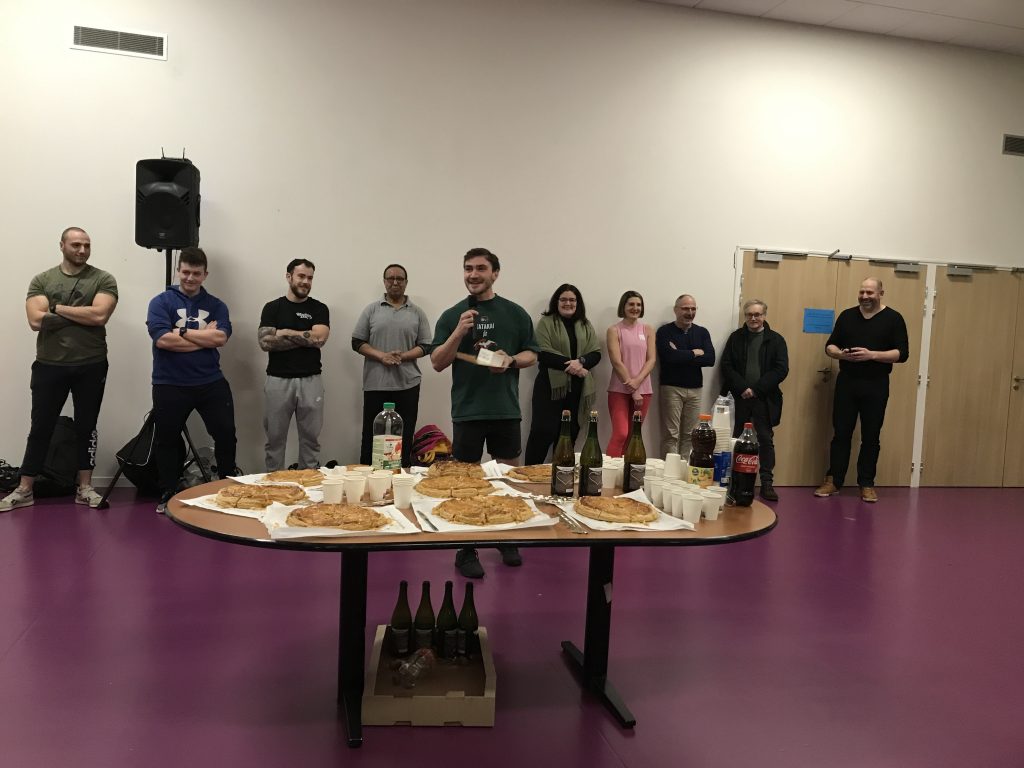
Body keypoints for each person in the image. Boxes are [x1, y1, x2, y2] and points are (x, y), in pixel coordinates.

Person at [431, 247, 539, 578]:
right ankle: (466, 549)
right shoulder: (453, 315)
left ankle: (507, 539)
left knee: (507, 479)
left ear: (495, 273)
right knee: (465, 484)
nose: (473, 274)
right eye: (468, 268)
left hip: (505, 408)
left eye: (480, 268)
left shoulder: (515, 313)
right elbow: (437, 362)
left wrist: (511, 360)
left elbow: (532, 354)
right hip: (468, 410)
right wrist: (459, 332)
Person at [1, 227, 118, 512]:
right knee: (41, 427)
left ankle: (85, 488)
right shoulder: (43, 280)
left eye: (87, 245)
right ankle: (25, 489)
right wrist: (81, 312)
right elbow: (35, 320)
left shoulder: (103, 279)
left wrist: (56, 308)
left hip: (91, 364)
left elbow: (100, 315)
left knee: (87, 426)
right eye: (76, 245)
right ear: (62, 245)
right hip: (49, 365)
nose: (82, 250)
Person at [147, 247, 237, 514]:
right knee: (167, 439)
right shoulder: (160, 302)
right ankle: (169, 490)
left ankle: (227, 487)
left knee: (226, 434)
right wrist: (203, 338)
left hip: (210, 381)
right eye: (185, 272)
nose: (190, 278)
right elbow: (163, 340)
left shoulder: (217, 305)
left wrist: (183, 332)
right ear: (178, 271)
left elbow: (220, 338)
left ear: (205, 275)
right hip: (169, 383)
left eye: (196, 273)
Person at [815, 278, 909, 503]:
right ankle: (833, 480)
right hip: (847, 383)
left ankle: (866, 483)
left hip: (876, 384)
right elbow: (830, 345)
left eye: (870, 292)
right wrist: (840, 354)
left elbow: (902, 354)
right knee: (841, 434)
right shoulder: (847, 316)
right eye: (862, 292)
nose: (865, 296)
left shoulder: (894, 318)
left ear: (880, 293)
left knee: (871, 436)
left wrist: (872, 355)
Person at [352, 264, 432, 468]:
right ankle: (368, 478)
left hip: (408, 384)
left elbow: (426, 346)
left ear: (406, 282)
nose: (395, 282)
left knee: (403, 437)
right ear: (384, 281)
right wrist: (382, 356)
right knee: (372, 437)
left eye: (400, 278)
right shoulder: (371, 310)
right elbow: (357, 342)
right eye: (390, 278)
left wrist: (402, 356)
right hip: (375, 384)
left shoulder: (417, 312)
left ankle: (401, 477)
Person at [257, 259, 330, 471]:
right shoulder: (273, 308)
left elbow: (320, 339)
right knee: (275, 439)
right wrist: (306, 336)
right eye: (301, 276)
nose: (305, 281)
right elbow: (265, 342)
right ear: (289, 276)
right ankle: (274, 483)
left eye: (310, 278)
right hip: (278, 380)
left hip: (311, 380)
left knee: (311, 440)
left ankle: (309, 483)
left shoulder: (319, 308)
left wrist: (284, 332)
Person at [719, 299, 789, 502]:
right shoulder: (735, 338)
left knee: (765, 439)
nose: (753, 318)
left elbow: (781, 369)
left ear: (764, 316)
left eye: (757, 314)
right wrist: (743, 388)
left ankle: (766, 483)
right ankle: (734, 482)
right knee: (735, 440)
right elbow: (726, 365)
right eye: (749, 314)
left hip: (764, 399)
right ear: (745, 316)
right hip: (739, 398)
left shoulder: (776, 340)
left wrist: (756, 389)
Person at [523, 284, 602, 464]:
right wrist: (575, 365)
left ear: (578, 303)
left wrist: (581, 362)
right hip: (550, 388)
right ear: (556, 302)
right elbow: (542, 352)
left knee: (569, 434)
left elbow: (596, 353)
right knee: (542, 432)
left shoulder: (585, 324)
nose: (568, 303)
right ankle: (529, 473)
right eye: (564, 299)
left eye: (572, 300)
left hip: (577, 389)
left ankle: (561, 475)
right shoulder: (546, 322)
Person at [656, 294, 715, 458]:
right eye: (685, 308)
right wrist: (694, 353)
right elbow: (669, 357)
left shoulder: (702, 332)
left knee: (690, 434)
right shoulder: (665, 331)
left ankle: (683, 469)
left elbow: (710, 359)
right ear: (675, 310)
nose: (690, 312)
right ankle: (670, 469)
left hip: (695, 389)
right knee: (671, 434)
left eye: (693, 309)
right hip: (672, 388)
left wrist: (680, 354)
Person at [605, 290, 656, 457]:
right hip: (619, 390)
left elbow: (651, 360)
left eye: (638, 305)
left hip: (644, 391)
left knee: (633, 436)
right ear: (623, 306)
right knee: (621, 434)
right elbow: (616, 361)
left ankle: (626, 471)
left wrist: (638, 383)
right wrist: (632, 388)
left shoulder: (648, 329)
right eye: (631, 304)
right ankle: (610, 470)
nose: (635, 308)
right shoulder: (614, 330)